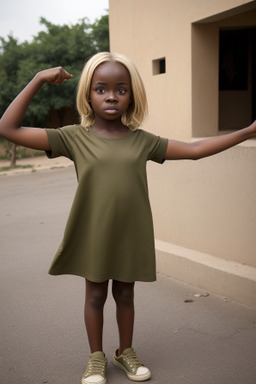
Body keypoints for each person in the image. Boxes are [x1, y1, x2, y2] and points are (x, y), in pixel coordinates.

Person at [0, 52, 255, 384]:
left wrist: (248, 131)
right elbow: (7, 128)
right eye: (101, 88)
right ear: (88, 96)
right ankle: (96, 358)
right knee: (95, 295)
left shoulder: (142, 142)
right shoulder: (72, 137)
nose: (111, 96)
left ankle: (125, 353)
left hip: (130, 234)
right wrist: (38, 79)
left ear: (131, 96)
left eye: (121, 89)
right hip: (94, 233)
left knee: (125, 294)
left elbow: (194, 150)